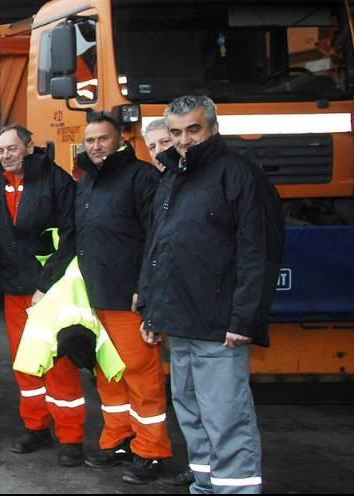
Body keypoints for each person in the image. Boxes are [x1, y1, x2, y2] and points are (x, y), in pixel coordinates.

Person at [140, 95, 283, 494]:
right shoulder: (172, 177)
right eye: (176, 132)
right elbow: (158, 247)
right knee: (192, 415)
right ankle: (204, 486)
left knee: (226, 418)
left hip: (220, 326)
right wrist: (152, 310)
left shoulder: (239, 176)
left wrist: (244, 320)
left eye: (193, 129)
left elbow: (259, 253)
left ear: (214, 129)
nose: (184, 140)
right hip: (181, 322)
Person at [75, 114, 172, 482]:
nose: (96, 145)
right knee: (108, 375)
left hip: (128, 298)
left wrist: (145, 290)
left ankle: (151, 451)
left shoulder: (142, 178)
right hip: (96, 297)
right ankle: (118, 440)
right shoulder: (87, 181)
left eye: (103, 138)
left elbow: (156, 239)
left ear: (120, 140)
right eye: (90, 140)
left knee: (142, 376)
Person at [0, 125, 83, 463]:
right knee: (26, 362)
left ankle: (71, 438)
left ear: (29, 148)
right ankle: (35, 426)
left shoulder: (57, 182)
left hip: (50, 291)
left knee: (58, 364)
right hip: (14, 288)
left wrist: (46, 285)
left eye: (12, 148)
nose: (6, 155)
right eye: (1, 151)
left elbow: (71, 237)